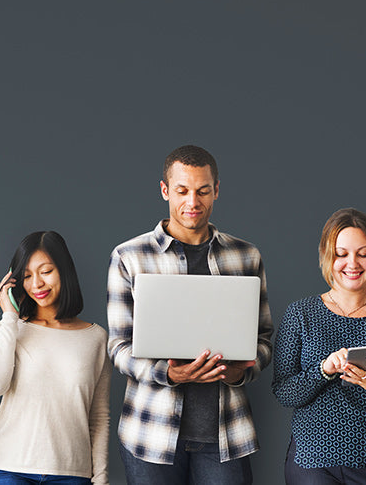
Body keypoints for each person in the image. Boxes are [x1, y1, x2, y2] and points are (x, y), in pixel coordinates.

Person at [107, 145, 272, 484]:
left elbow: (264, 339)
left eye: (202, 191)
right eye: (182, 191)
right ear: (165, 190)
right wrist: (167, 375)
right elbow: (118, 347)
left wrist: (240, 371)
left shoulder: (246, 256)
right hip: (151, 433)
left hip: (225, 434)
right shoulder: (129, 257)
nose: (192, 202)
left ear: (216, 191)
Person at [272, 208, 366, 484]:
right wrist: (323, 371)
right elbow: (283, 392)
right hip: (314, 463)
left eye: (363, 253)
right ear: (327, 257)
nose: (352, 263)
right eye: (342, 254)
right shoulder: (300, 314)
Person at [0, 231, 110, 484]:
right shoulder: (5, 330)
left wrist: (101, 477)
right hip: (7, 468)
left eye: (46, 271)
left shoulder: (95, 338)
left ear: (65, 271)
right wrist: (9, 317)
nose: (36, 284)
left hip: (72, 473)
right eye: (26, 276)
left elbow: (99, 416)